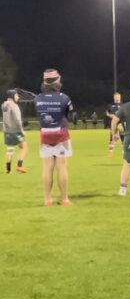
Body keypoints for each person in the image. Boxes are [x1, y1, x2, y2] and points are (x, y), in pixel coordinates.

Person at [35, 68, 74, 206]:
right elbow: (70, 113)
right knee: (62, 167)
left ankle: (47, 199)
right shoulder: (65, 98)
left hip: (45, 135)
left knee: (47, 168)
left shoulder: (38, 99)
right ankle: (64, 199)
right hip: (61, 135)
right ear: (57, 81)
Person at [2, 89, 28, 174]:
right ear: (12, 96)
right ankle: (19, 166)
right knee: (24, 146)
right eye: (16, 95)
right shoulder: (14, 106)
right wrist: (22, 131)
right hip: (15, 131)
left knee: (10, 149)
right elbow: (17, 120)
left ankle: (8, 169)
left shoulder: (4, 105)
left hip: (7, 131)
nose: (18, 97)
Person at [106, 92, 123, 157]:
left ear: (120, 97)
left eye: (118, 97)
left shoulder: (123, 105)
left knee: (122, 135)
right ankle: (110, 151)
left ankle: (124, 151)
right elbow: (107, 113)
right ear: (114, 97)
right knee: (112, 137)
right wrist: (111, 115)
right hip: (112, 123)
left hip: (120, 122)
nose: (117, 98)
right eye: (116, 97)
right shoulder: (110, 105)